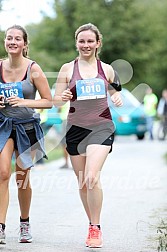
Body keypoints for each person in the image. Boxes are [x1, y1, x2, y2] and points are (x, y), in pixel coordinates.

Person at [53, 23, 123, 248]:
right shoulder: (67, 69)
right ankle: (91, 224)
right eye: (82, 41)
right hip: (75, 129)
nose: (86, 45)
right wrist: (62, 96)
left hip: (101, 127)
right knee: (83, 182)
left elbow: (115, 89)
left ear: (98, 43)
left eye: (90, 41)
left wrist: (116, 98)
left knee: (92, 176)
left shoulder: (107, 69)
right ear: (76, 43)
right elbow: (55, 99)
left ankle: (96, 227)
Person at [0, 25, 52, 244]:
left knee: (22, 178)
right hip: (3, 125)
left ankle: (24, 223)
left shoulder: (34, 69)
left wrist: (24, 101)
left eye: (17, 38)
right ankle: (0, 227)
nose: (13, 42)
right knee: (2, 173)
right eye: (9, 38)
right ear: (5, 42)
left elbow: (48, 101)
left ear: (24, 44)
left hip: (27, 127)